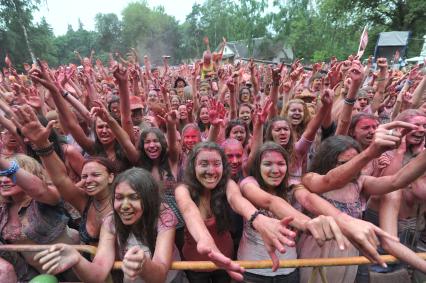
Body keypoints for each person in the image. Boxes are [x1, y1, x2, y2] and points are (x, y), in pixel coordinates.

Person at [34, 168, 181, 283]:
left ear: (149, 199)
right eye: (119, 198)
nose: (124, 206)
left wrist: (144, 264)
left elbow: (160, 276)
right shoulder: (111, 221)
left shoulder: (164, 216)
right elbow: (98, 274)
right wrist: (77, 260)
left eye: (133, 197)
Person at [12, 105, 116, 244]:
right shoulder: (84, 201)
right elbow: (61, 179)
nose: (88, 180)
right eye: (84, 176)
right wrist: (42, 144)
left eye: (95, 175)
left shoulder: (122, 201)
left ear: (111, 177)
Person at [0, 154, 79, 282]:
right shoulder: (3, 209)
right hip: (39, 276)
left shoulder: (44, 200)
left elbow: (38, 190)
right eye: (1, 175)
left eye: (9, 175)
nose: (4, 180)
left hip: (75, 270)